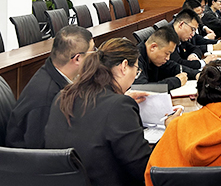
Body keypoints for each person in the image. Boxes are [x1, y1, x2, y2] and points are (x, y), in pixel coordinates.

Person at [45, 38, 180, 186]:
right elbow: (145, 168)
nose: (135, 77)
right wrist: (171, 130)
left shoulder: (63, 96)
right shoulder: (119, 107)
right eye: (136, 71)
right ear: (124, 66)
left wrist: (118, 100)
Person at [6, 25, 94, 148]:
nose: (95, 57)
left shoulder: (52, 71)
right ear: (77, 58)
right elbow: (39, 151)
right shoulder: (46, 99)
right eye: (93, 52)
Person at [134, 26, 190, 91]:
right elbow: (142, 88)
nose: (168, 58)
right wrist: (176, 81)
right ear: (153, 47)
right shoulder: (134, 59)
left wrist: (196, 74)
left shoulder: (156, 59)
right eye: (167, 53)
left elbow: (173, 67)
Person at [170, 8, 218, 74]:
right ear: (181, 25)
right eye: (192, 29)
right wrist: (204, 62)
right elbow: (178, 63)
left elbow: (195, 48)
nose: (193, 34)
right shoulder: (167, 36)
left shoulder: (180, 36)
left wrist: (193, 55)